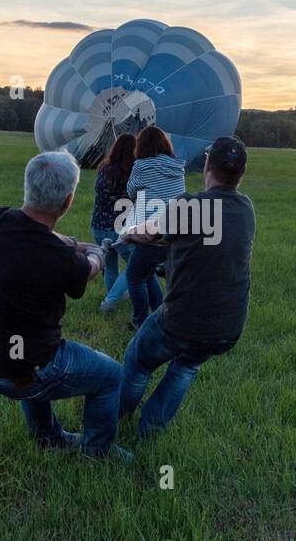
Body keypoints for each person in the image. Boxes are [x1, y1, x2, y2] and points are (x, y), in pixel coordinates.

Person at [0, 150, 132, 460]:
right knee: (111, 375)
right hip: (23, 373)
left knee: (29, 349)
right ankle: (98, 453)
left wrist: (72, 243)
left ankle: (47, 437)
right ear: (67, 201)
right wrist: (96, 252)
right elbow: (89, 268)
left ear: (28, 186)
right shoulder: (62, 261)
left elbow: (45, 239)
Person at [119, 136, 254, 438]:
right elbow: (205, 237)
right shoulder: (245, 208)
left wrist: (128, 233)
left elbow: (151, 234)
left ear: (207, 165)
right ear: (240, 173)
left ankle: (116, 418)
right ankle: (149, 432)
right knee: (186, 365)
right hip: (227, 327)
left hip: (183, 321)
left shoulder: (191, 205)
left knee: (138, 361)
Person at [122, 126, 186, 329]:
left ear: (141, 145)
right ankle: (161, 317)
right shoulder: (178, 166)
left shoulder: (141, 166)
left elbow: (130, 191)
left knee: (134, 277)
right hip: (175, 234)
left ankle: (140, 323)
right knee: (147, 273)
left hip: (151, 233)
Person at [90, 133, 136, 313]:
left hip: (99, 226)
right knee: (133, 264)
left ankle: (112, 301)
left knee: (110, 267)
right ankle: (111, 300)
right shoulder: (131, 174)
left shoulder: (103, 169)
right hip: (120, 229)